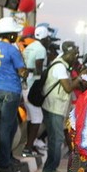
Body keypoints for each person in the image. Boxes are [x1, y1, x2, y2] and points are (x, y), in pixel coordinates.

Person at [41, 41, 87, 172]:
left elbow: (70, 84)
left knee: (54, 139)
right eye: (74, 54)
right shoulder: (59, 67)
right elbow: (68, 88)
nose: (76, 57)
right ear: (67, 53)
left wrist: (80, 75)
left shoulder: (63, 66)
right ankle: (50, 169)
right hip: (54, 107)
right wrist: (81, 76)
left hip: (56, 107)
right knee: (57, 139)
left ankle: (49, 168)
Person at [0, 17, 27, 172]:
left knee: (8, 126)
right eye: (15, 33)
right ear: (10, 34)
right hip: (11, 91)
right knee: (6, 128)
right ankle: (4, 164)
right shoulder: (12, 50)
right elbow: (21, 71)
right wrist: (27, 71)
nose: (17, 35)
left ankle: (5, 157)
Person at [21, 25, 48, 158]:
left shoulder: (29, 47)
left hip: (25, 85)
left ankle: (29, 146)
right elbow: (39, 69)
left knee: (31, 118)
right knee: (37, 118)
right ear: (45, 37)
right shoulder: (41, 49)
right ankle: (28, 148)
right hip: (33, 86)